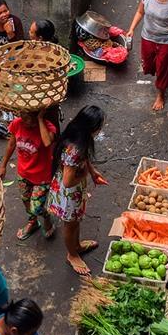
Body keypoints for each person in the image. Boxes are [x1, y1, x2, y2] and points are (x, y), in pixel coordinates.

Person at [48, 104, 107, 275]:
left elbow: (85, 159)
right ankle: (72, 254)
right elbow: (67, 181)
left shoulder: (80, 136)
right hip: (68, 193)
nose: (100, 129)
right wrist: (85, 176)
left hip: (75, 190)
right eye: (100, 126)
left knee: (76, 221)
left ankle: (77, 246)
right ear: (92, 128)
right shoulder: (75, 150)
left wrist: (93, 172)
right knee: (70, 225)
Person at [0, 110, 57, 240]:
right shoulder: (17, 123)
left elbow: (47, 142)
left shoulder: (48, 127)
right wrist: (3, 165)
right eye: (23, 115)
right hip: (23, 172)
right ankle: (33, 222)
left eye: (29, 116)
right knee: (25, 200)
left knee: (36, 207)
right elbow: (11, 144)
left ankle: (46, 216)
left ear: (38, 115)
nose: (25, 120)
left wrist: (41, 119)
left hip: (42, 176)